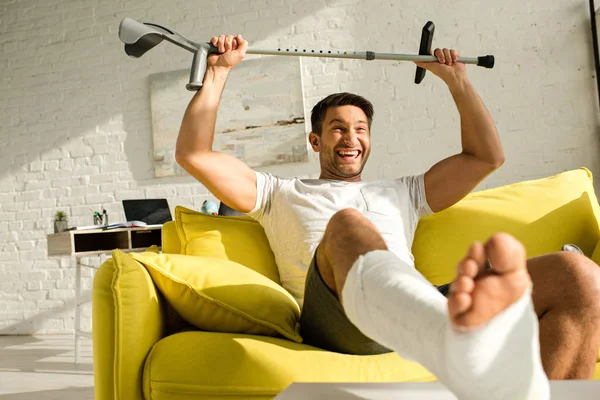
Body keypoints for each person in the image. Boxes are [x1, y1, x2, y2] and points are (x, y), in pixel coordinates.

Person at [175, 34, 600, 398]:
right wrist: (218, 71)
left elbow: (487, 156)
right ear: (315, 140)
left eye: (361, 128)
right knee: (347, 224)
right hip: (340, 317)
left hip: (419, 303)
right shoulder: (277, 193)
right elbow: (195, 154)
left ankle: (441, 325)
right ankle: (447, 332)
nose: (351, 138)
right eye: (338, 128)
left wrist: (456, 81)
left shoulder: (404, 191)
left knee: (578, 275)